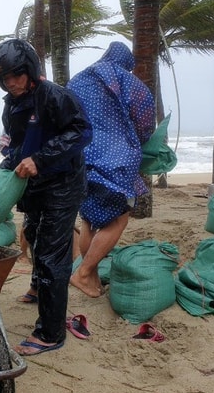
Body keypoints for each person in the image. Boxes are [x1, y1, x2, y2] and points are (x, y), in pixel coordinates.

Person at [0, 38, 92, 356]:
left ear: (30, 70)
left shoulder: (54, 95)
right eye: (5, 78)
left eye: (17, 75)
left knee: (51, 254)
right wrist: (3, 167)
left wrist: (41, 158)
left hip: (63, 183)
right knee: (32, 233)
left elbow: (81, 131)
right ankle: (38, 288)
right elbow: (18, 147)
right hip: (35, 185)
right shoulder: (13, 103)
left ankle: (50, 332)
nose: (12, 83)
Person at [66, 41, 156, 298]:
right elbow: (145, 118)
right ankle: (83, 273)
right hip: (115, 159)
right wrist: (142, 138)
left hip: (81, 158)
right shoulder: (126, 80)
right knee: (119, 217)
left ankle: (91, 279)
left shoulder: (77, 80)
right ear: (126, 63)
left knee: (89, 218)